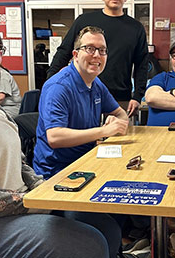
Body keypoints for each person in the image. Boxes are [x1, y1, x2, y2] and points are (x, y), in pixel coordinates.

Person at [0, 15, 110, 258]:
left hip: (19, 209)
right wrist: (26, 202)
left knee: (106, 229)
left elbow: (20, 164)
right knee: (88, 244)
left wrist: (43, 189)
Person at [33, 26, 128, 258]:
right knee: (109, 230)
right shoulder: (59, 87)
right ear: (75, 54)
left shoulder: (96, 83)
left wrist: (111, 126)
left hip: (89, 166)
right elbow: (54, 137)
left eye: (102, 50)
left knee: (124, 207)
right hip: (58, 176)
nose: (97, 55)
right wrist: (101, 132)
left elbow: (122, 116)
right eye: (90, 49)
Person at [47, 0, 148, 117]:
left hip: (118, 98)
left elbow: (141, 64)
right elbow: (64, 51)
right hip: (82, 93)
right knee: (82, 136)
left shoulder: (136, 28)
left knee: (117, 137)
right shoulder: (84, 21)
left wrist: (137, 96)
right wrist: (50, 81)